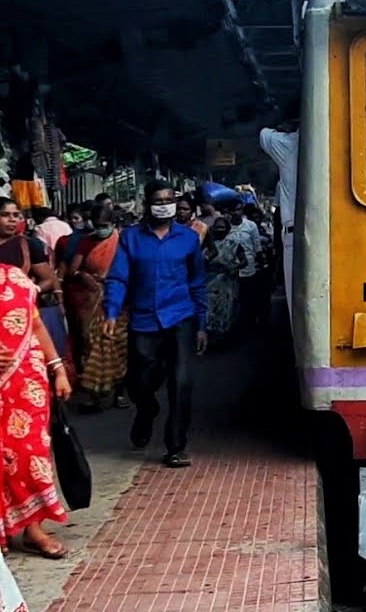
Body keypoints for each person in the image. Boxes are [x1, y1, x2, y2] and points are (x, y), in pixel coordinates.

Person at [103, 180, 208, 469]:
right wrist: (111, 312)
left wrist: (201, 324)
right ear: (147, 204)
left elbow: (198, 282)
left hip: (181, 317)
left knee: (181, 382)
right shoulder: (130, 238)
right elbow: (118, 277)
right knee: (140, 382)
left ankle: (175, 446)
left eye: (169, 200)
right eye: (158, 201)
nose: (164, 206)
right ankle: (146, 410)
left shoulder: (188, 239)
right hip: (144, 320)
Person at [0, 258, 73, 558]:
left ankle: (33, 528)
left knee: (31, 453)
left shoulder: (15, 278)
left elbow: (36, 324)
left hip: (26, 382)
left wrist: (59, 369)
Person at [67, 205, 129, 412]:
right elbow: (73, 270)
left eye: (105, 225)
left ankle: (119, 393)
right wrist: (84, 276)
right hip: (92, 300)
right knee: (92, 346)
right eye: (98, 225)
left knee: (117, 346)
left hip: (118, 299)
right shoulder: (86, 242)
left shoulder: (122, 241)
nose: (101, 229)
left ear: (113, 224)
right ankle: (95, 396)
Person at [202, 217, 248, 346]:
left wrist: (234, 267)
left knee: (226, 312)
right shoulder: (208, 244)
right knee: (209, 311)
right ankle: (209, 339)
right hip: (209, 281)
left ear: (227, 229)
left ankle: (224, 341)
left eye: (222, 227)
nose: (219, 230)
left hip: (227, 283)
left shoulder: (234, 243)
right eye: (217, 227)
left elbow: (244, 261)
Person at [223, 199, 262, 331]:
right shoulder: (226, 227)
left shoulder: (250, 226)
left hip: (249, 269)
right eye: (233, 210)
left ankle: (250, 327)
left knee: (248, 300)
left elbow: (257, 247)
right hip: (231, 271)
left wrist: (260, 266)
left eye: (238, 209)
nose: (236, 213)